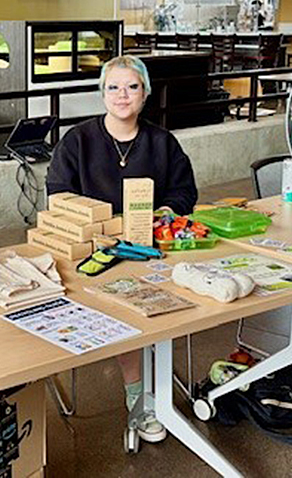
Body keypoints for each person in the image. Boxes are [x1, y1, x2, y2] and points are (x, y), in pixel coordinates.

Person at [46, 55, 197, 443]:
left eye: (132, 87)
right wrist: (100, 226)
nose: (122, 95)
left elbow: (185, 192)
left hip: (151, 249)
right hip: (93, 258)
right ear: (102, 93)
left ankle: (156, 380)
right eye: (113, 87)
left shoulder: (162, 142)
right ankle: (139, 396)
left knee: (180, 297)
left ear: (145, 93)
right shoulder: (77, 141)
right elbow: (58, 194)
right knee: (124, 306)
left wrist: (165, 210)